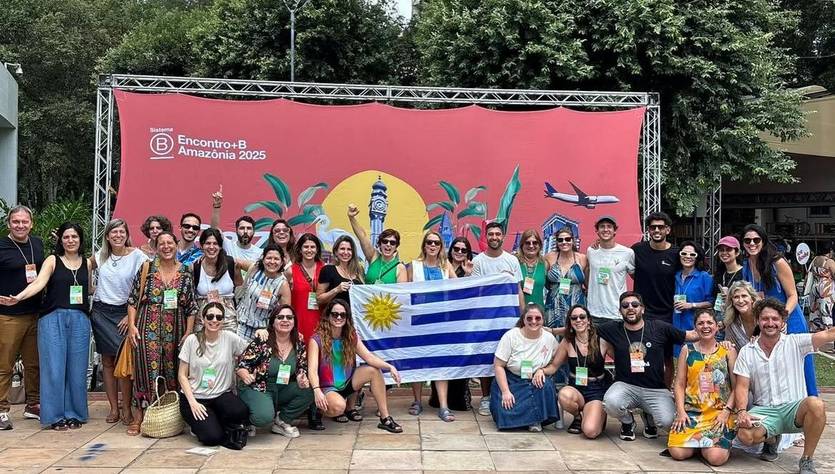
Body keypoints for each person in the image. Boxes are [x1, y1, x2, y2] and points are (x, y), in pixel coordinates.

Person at [0, 222, 92, 430]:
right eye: (66, 237)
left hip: (80, 320)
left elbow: (92, 287)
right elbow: (39, 283)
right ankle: (55, 416)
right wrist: (19, 298)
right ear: (60, 240)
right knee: (53, 369)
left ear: (80, 240)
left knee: (77, 370)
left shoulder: (87, 263)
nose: (70, 241)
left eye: (74, 237)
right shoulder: (52, 260)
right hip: (53, 319)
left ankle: (75, 413)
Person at [734, 298, 835, 474]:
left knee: (816, 405)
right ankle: (772, 439)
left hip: (793, 409)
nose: (770, 323)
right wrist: (742, 411)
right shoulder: (747, 351)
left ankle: (806, 460)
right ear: (758, 320)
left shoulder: (795, 342)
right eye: (765, 319)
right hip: (765, 410)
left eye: (775, 319)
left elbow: (827, 335)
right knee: (745, 435)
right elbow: (742, 387)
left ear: (782, 322)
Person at [599, 291, 702, 441]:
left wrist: (720, 330)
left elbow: (692, 336)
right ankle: (628, 422)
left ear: (643, 309)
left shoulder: (659, 327)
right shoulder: (612, 328)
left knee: (668, 422)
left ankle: (649, 416)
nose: (630, 308)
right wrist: (553, 331)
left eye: (635, 304)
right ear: (620, 310)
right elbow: (582, 328)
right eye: (625, 305)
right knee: (610, 402)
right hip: (625, 386)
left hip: (655, 389)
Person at [126, 231, 198, 436]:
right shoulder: (147, 268)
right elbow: (132, 300)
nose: (166, 247)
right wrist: (132, 326)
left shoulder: (185, 272)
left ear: (176, 245)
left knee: (173, 370)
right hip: (146, 326)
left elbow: (191, 306)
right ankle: (140, 414)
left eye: (170, 243)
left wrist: (189, 332)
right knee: (145, 371)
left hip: (175, 328)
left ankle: (171, 414)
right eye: (162, 243)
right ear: (156, 247)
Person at [741, 224, 817, 396]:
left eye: (756, 240)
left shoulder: (777, 262)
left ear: (763, 241)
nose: (752, 243)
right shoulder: (746, 265)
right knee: (777, 364)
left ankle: (811, 403)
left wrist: (783, 317)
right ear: (743, 243)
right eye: (747, 240)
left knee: (800, 363)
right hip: (767, 322)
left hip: (790, 318)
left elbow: (792, 296)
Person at [308, 299, 403, 433]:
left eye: (343, 315)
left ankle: (385, 418)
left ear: (347, 318)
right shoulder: (316, 339)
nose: (339, 317)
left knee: (373, 371)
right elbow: (311, 370)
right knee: (338, 407)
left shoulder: (350, 336)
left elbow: (368, 357)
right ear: (328, 316)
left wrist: (389, 367)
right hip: (327, 387)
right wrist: (317, 390)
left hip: (347, 383)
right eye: (335, 314)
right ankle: (316, 408)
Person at [89, 218, 148, 425]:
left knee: (124, 362)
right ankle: (113, 408)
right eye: (113, 232)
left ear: (126, 234)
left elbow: (144, 286)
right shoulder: (100, 256)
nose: (118, 236)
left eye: (121, 232)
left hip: (125, 313)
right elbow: (80, 266)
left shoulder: (137, 256)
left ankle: (126, 408)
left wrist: (130, 315)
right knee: (107, 361)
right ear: (107, 236)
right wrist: (90, 288)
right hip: (101, 312)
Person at [667, 308, 737, 466]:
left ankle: (710, 445)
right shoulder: (687, 349)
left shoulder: (728, 350)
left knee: (716, 459)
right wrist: (681, 411)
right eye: (701, 323)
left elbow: (737, 386)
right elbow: (679, 384)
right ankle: (702, 444)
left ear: (717, 326)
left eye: (709, 323)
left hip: (719, 413)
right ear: (695, 327)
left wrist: (727, 412)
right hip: (693, 411)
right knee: (677, 453)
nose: (705, 326)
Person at [178, 303, 250, 447]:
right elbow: (182, 375)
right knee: (212, 438)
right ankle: (203, 426)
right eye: (210, 316)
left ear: (223, 320)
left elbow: (251, 351)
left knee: (240, 412)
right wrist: (193, 402)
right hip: (196, 397)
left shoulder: (230, 338)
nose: (214, 320)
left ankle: (215, 422)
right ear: (203, 319)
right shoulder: (192, 341)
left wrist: (242, 369)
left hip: (220, 395)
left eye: (219, 317)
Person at [472, 221, 524, 417]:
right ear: (486, 237)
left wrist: (522, 315)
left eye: (497, 234)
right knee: (486, 356)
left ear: (503, 237)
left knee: (509, 357)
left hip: (508, 318)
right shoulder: (478, 262)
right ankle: (485, 398)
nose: (494, 237)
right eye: (491, 234)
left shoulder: (512, 260)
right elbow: (477, 290)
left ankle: (508, 394)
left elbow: (518, 289)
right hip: (485, 318)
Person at [237, 304, 313, 438]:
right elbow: (242, 365)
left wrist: (302, 378)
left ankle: (282, 421)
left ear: (294, 321)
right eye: (280, 317)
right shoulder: (263, 340)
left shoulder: (298, 342)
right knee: (263, 417)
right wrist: (245, 375)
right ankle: (247, 419)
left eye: (289, 317)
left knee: (310, 390)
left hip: (281, 386)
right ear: (273, 322)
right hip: (258, 387)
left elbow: (301, 366)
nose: (285, 320)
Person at [0, 205, 44, 430]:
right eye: (16, 222)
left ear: (31, 223)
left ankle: (33, 404)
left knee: (33, 363)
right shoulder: (1, 246)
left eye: (24, 222)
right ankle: (1, 409)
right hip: (8, 316)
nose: (20, 225)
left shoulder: (37, 243)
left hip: (34, 313)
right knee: (4, 365)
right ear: (9, 224)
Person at [408, 231, 457, 421]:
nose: (433, 245)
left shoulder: (446, 266)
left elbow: (460, 288)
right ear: (424, 245)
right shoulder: (414, 265)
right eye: (429, 242)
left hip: (441, 321)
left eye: (436, 243)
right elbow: (402, 290)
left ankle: (443, 406)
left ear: (441, 246)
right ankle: (417, 401)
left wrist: (468, 275)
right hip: (419, 321)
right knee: (417, 360)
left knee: (440, 361)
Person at [541, 304, 610, 438]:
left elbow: (620, 360)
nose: (578, 320)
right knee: (563, 395)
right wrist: (541, 371)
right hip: (576, 388)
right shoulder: (567, 342)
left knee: (590, 432)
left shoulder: (602, 341)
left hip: (596, 389)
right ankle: (577, 416)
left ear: (589, 320)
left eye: (582, 317)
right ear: (570, 322)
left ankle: (597, 413)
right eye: (574, 318)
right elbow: (554, 366)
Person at [491, 303, 559, 432]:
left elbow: (555, 362)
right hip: (512, 380)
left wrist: (542, 371)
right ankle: (531, 419)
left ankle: (535, 420)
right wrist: (505, 392)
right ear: (523, 319)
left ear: (543, 320)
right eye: (529, 318)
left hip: (535, 380)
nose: (533, 321)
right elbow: (498, 366)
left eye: (538, 318)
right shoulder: (511, 336)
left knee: (545, 385)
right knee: (504, 410)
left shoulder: (549, 339)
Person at [193, 228, 244, 332]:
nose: (211, 247)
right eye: (208, 243)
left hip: (228, 321)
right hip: (203, 321)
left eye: (215, 243)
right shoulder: (195, 267)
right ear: (202, 245)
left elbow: (240, 289)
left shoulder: (231, 263)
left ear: (220, 246)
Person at [632, 212, 679, 324]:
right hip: (642, 311)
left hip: (668, 312)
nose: (657, 230)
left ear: (667, 230)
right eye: (653, 227)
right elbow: (618, 257)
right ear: (648, 230)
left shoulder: (676, 253)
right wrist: (600, 244)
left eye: (661, 227)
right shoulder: (637, 249)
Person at [236, 245, 291, 341]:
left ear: (282, 262)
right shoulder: (255, 269)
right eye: (269, 258)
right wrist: (239, 282)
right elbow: (236, 262)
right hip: (238, 326)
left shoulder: (283, 285)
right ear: (263, 259)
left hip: (261, 334)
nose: (272, 262)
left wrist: (270, 330)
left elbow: (285, 314)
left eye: (276, 259)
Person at [586, 216, 635, 324]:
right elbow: (588, 272)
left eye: (609, 226)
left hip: (617, 312)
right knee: (594, 342)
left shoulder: (627, 253)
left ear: (614, 231)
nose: (605, 229)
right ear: (597, 231)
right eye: (602, 227)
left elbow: (635, 276)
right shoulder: (591, 251)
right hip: (594, 313)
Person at [672, 241, 714, 356]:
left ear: (697, 257)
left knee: (695, 366)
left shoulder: (704, 277)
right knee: (677, 368)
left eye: (692, 254)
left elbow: (711, 303)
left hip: (694, 329)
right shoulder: (674, 275)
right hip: (675, 328)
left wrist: (691, 305)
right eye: (684, 253)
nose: (687, 257)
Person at [347, 204, 406, 284]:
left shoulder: (400, 268)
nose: (388, 244)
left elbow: (401, 293)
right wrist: (351, 218)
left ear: (396, 247)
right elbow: (362, 236)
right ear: (380, 244)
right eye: (385, 241)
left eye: (392, 243)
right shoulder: (374, 256)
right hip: (368, 296)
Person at [544, 227, 587, 330]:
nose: (564, 242)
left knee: (576, 335)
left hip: (577, 305)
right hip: (554, 306)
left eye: (567, 239)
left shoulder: (582, 258)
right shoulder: (549, 257)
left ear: (572, 240)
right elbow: (544, 281)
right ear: (557, 242)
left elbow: (588, 284)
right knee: (553, 338)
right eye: (560, 240)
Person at [286, 233, 326, 342]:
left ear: (317, 249)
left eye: (312, 247)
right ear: (300, 249)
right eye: (306, 247)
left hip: (320, 321)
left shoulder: (325, 269)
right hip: (298, 322)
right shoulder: (290, 271)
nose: (309, 250)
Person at [209, 186, 264, 263]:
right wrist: (216, 206)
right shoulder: (228, 245)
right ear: (236, 230)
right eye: (242, 228)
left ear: (254, 231)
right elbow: (214, 230)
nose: (245, 231)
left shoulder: (260, 253)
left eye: (249, 228)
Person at [317, 235, 364, 309]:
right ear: (336, 252)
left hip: (355, 318)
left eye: (349, 249)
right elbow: (319, 299)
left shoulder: (359, 271)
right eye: (342, 249)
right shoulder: (328, 270)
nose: (346, 252)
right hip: (336, 317)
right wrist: (337, 290)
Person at [804, 241, 834, 331]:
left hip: (814, 288)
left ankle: (816, 332)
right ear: (830, 251)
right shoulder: (829, 262)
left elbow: (808, 273)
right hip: (825, 289)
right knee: (826, 312)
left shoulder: (815, 259)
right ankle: (828, 333)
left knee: (815, 312)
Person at [722, 280, 761, 349]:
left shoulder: (764, 317)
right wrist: (726, 344)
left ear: (752, 299)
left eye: (744, 296)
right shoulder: (731, 323)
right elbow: (731, 349)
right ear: (732, 301)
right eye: (736, 297)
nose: (740, 301)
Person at [516, 229, 547, 308]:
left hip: (539, 313)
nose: (531, 246)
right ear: (522, 245)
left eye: (535, 243)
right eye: (527, 243)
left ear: (540, 245)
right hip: (518, 312)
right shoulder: (515, 262)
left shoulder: (545, 264)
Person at [712, 236, 744, 312]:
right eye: (721, 250)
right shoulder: (719, 274)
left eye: (729, 249)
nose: (724, 253)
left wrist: (730, 296)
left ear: (737, 253)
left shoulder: (745, 272)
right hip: (720, 316)